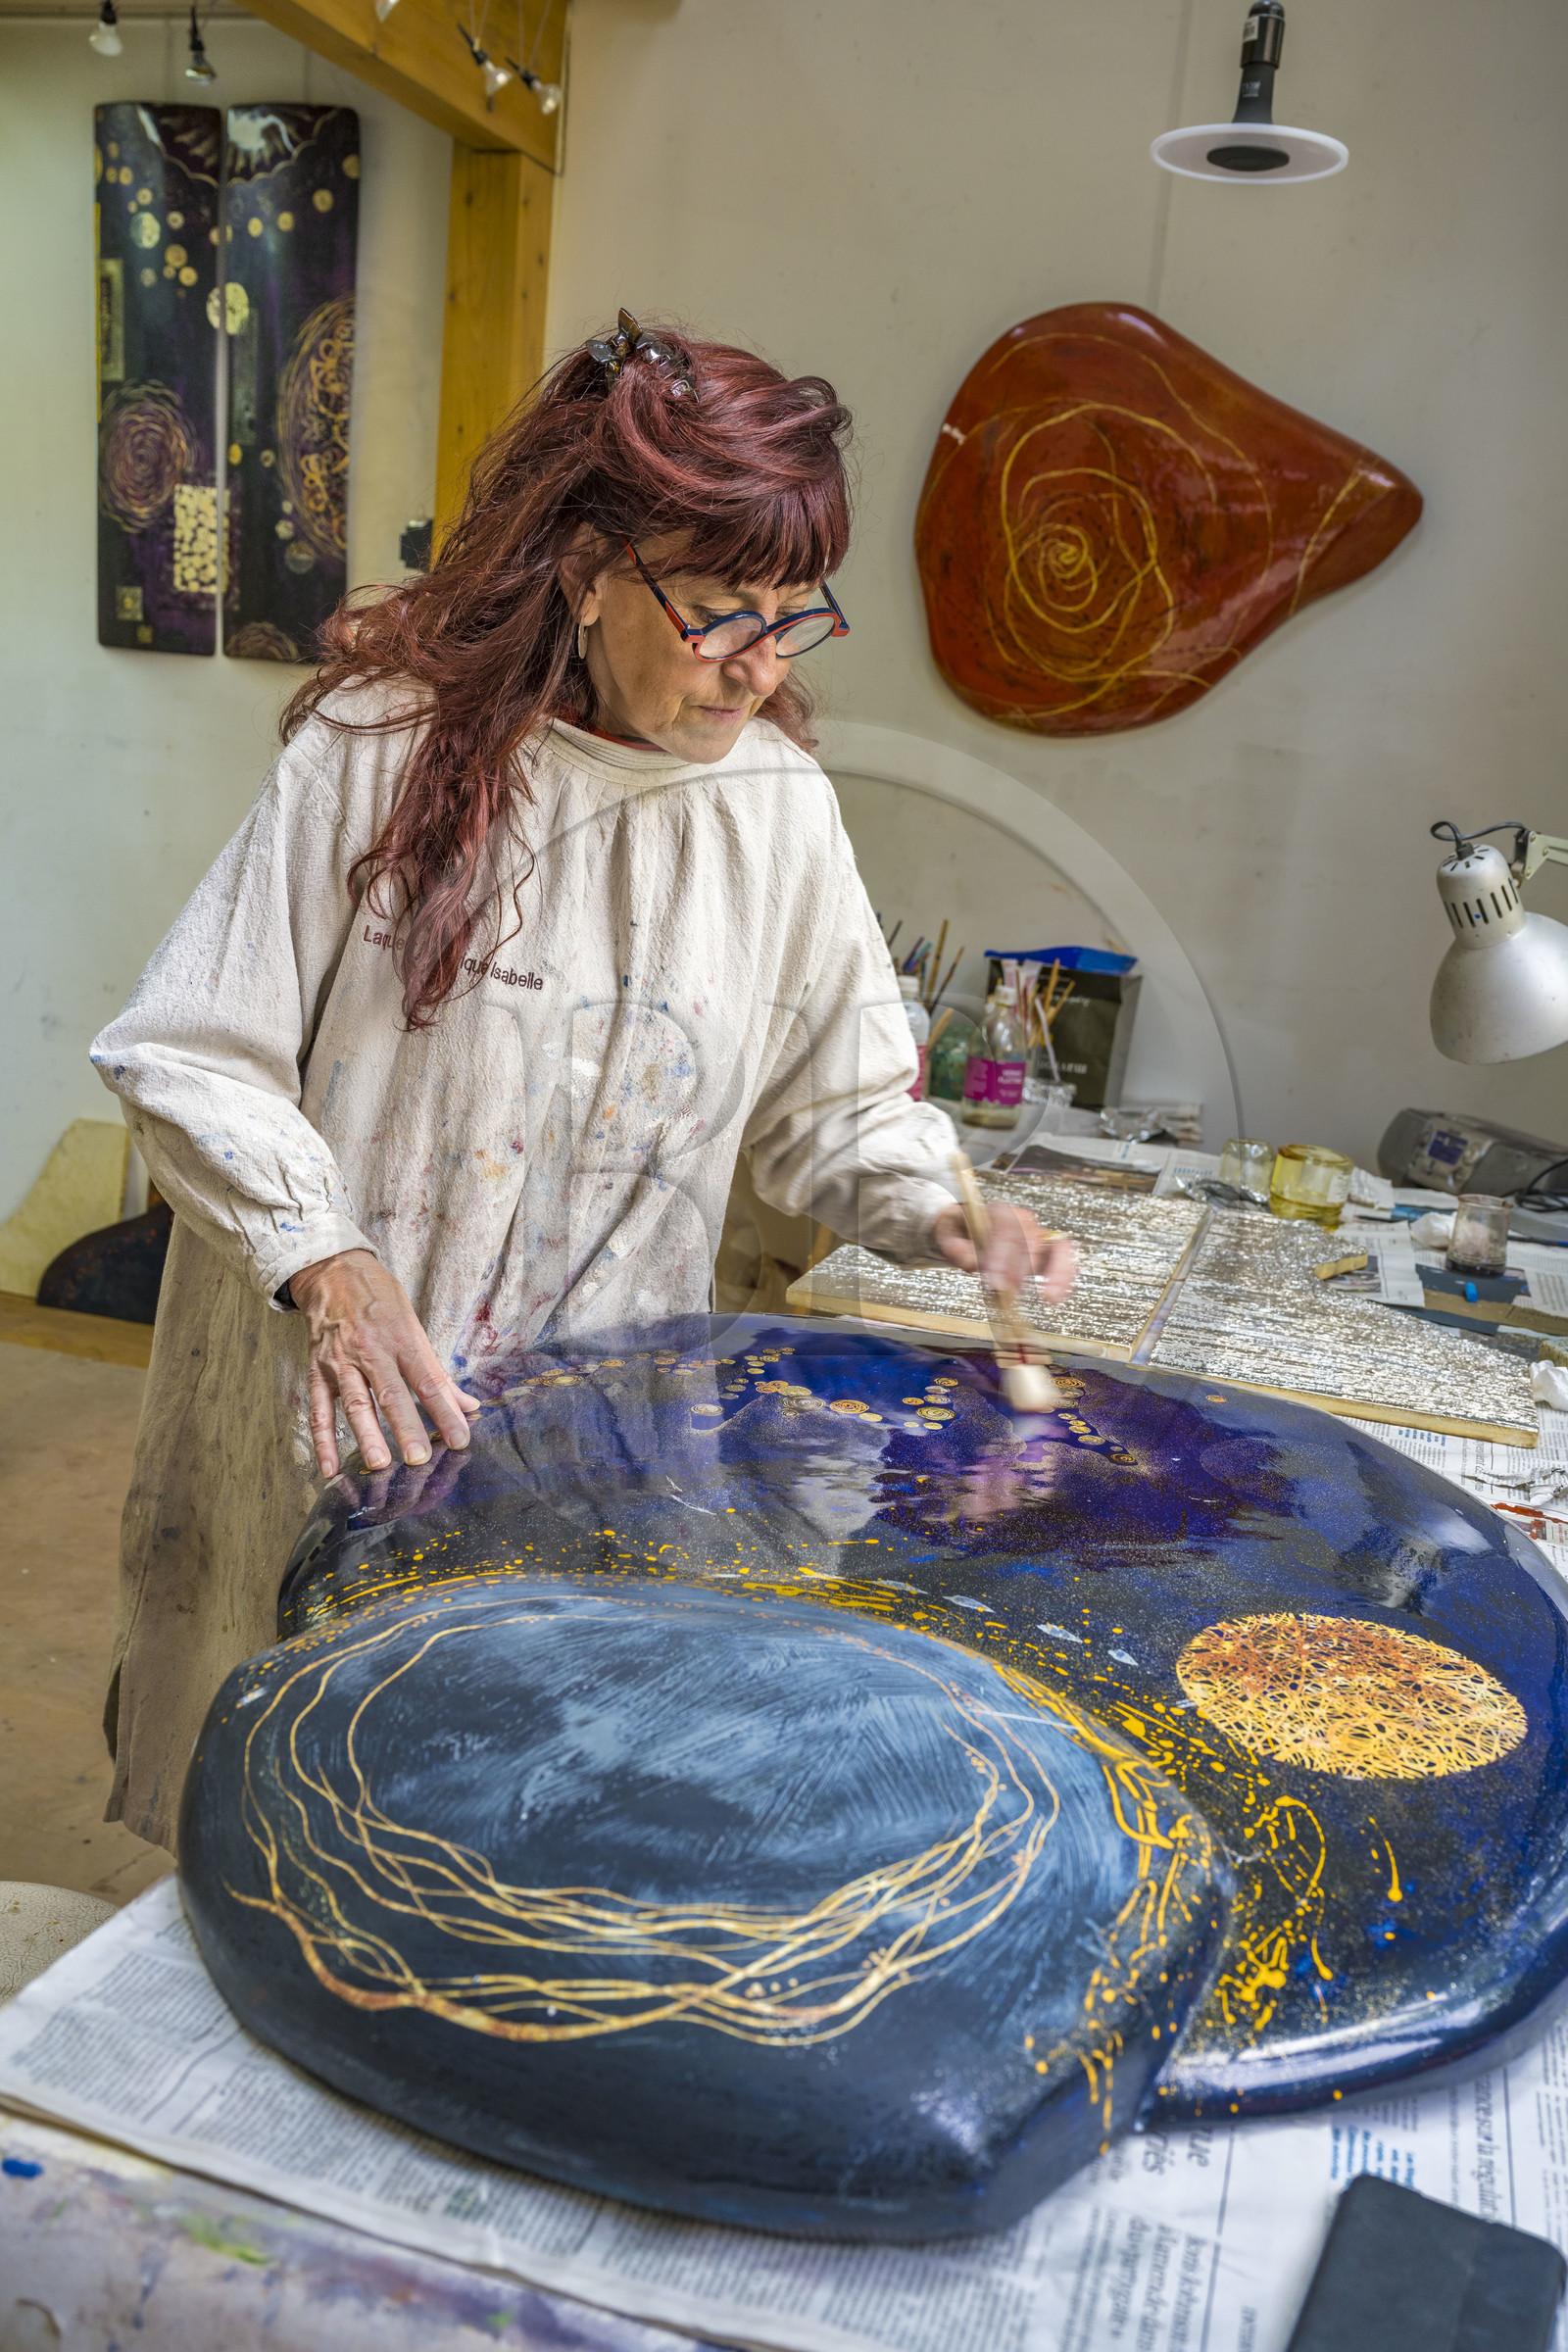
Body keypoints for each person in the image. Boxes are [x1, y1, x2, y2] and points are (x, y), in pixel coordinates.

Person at [91, 314, 1075, 1852]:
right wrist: (332, 1266)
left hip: (591, 1450)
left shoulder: (779, 813)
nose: (757, 665)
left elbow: (846, 1108)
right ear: (588, 569)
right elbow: (185, 1050)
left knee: (516, 1838)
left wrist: (945, 1212)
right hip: (343, 1413)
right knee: (289, 1826)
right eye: (717, 612)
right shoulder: (384, 750)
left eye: (792, 615)